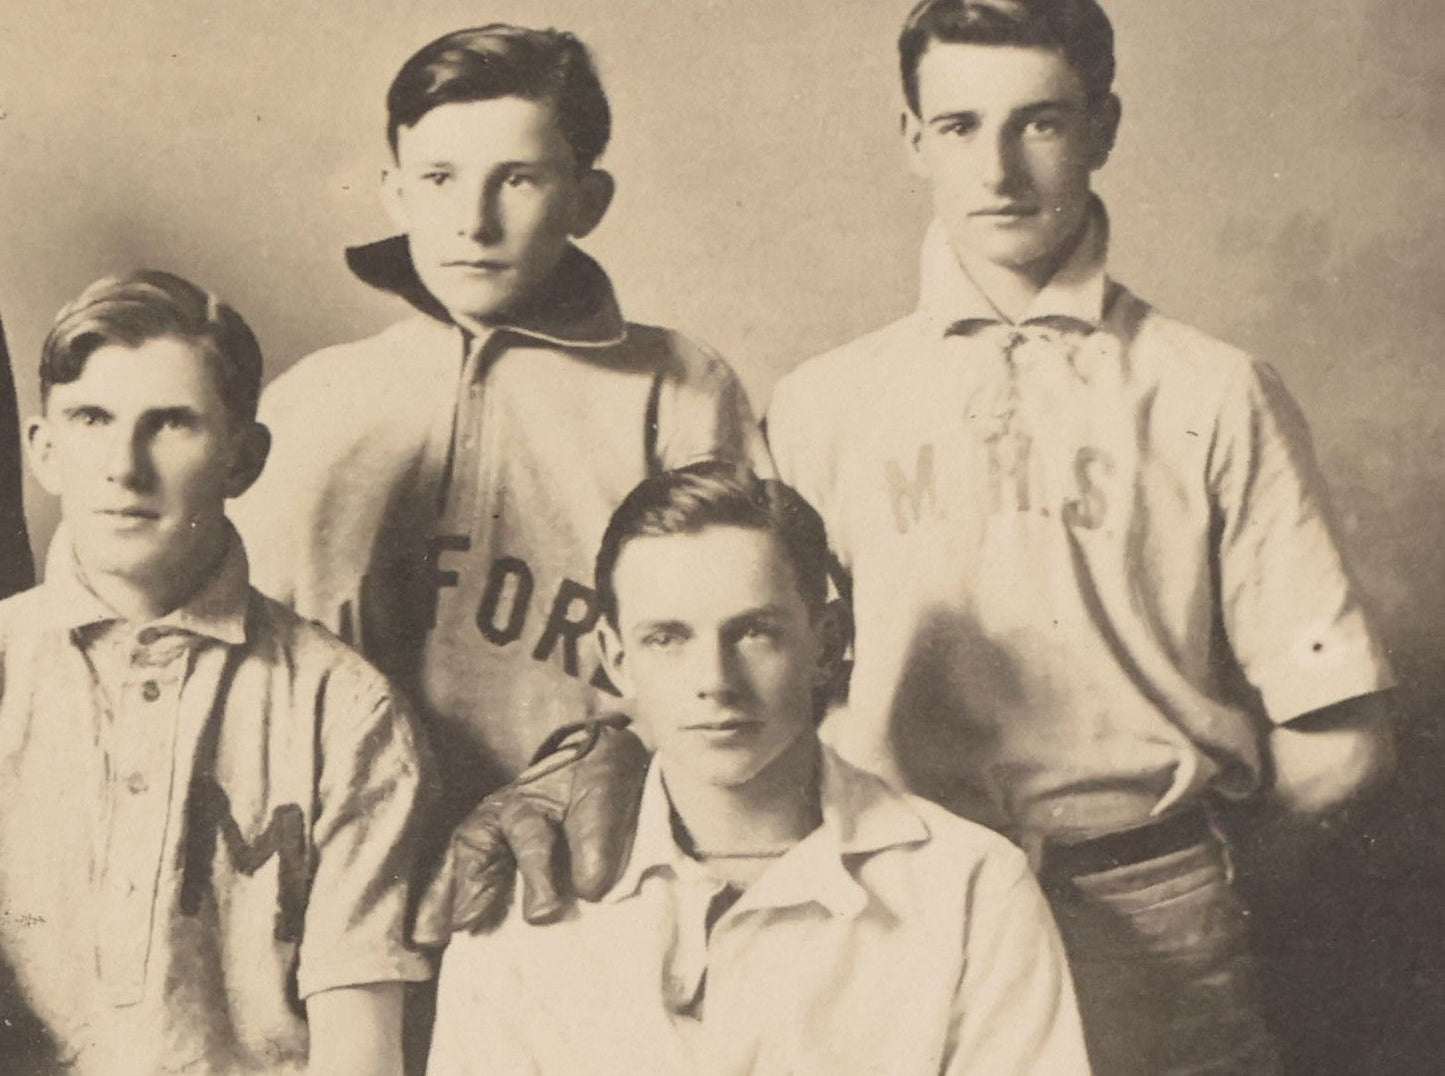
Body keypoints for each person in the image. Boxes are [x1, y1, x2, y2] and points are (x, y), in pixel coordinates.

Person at [760, 1, 1398, 1072]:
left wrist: (1188, 877)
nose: (999, 168)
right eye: (959, 126)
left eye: (1040, 122)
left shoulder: (1211, 389)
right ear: (911, 138)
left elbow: (1339, 738)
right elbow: (770, 699)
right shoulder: (821, 402)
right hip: (909, 903)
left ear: (1102, 127)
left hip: (1151, 912)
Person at [231, 24, 768, 875]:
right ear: (395, 194)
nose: (472, 222)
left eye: (516, 179)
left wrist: (616, 754)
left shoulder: (680, 387)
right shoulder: (314, 399)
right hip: (336, 865)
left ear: (587, 200)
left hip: (583, 862)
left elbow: (759, 649)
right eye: (439, 179)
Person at [427, 462, 1091, 1075]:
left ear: (826, 643)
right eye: (667, 638)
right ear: (616, 657)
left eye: (753, 632)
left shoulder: (966, 885)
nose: (714, 681)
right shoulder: (529, 886)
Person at [0, 272, 431, 1075]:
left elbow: (359, 1054)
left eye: (170, 424)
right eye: (91, 418)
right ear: (44, 450)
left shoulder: (344, 711)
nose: (124, 467)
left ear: (243, 457)